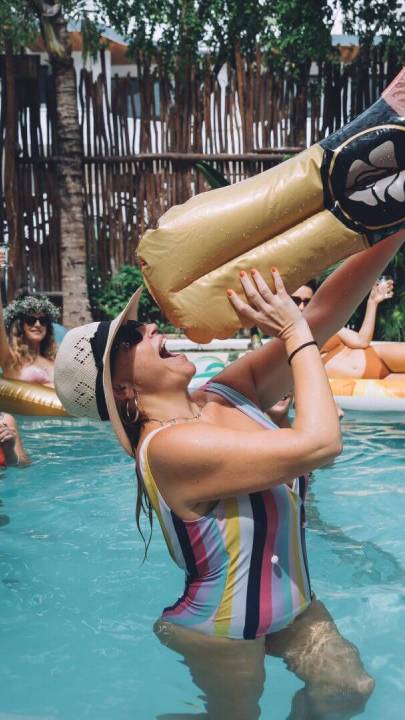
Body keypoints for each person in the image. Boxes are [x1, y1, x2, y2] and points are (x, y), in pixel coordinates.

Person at [54, 230, 404, 720]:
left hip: (295, 610)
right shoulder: (169, 449)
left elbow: (322, 315)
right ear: (124, 388)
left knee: (349, 690)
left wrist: (391, 228)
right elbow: (321, 442)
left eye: (139, 324)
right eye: (131, 337)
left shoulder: (225, 393)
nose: (149, 329)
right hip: (221, 632)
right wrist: (293, 331)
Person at [293, 279, 405, 379]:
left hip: (376, 355)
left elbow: (362, 341)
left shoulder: (324, 325)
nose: (301, 307)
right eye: (295, 301)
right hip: (370, 378)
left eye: (307, 301)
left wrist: (372, 302)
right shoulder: (283, 336)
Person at [0, 294, 60, 387]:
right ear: (20, 326)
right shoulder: (12, 361)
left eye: (43, 320)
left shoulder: (56, 359)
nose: (38, 324)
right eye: (31, 320)